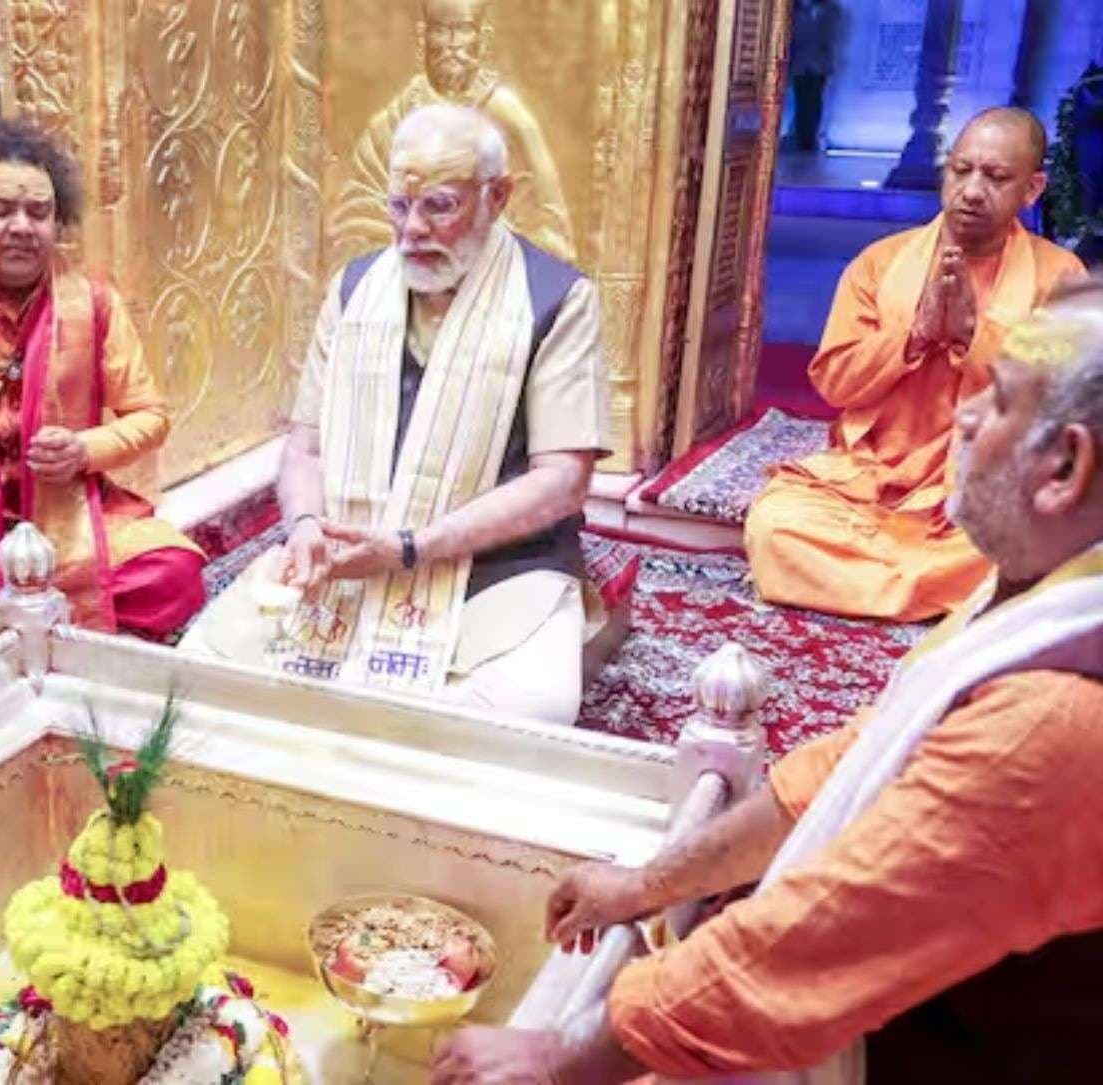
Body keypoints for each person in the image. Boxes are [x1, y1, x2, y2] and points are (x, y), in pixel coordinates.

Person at [431, 276, 1103, 1083]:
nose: (962, 417)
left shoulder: (1053, 715)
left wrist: (559, 1056)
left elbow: (821, 937)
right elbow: (839, 769)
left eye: (995, 403)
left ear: (1065, 465)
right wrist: (645, 884)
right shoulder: (1048, 597)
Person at [268, 103, 607, 722]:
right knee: (223, 671)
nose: (411, 231)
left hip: (499, 566)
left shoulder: (558, 300)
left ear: (497, 197)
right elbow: (304, 448)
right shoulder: (352, 290)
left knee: (527, 712)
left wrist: (411, 547)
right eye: (399, 206)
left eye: (439, 206)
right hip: (348, 549)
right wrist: (307, 527)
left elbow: (562, 481)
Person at [745, 107, 1086, 621]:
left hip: (986, 486)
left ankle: (880, 583)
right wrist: (912, 336)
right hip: (871, 481)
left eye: (995, 177)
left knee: (1017, 544)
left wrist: (976, 336)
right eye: (961, 169)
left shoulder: (1061, 277)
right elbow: (836, 384)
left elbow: (1064, 404)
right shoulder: (880, 262)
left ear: (1032, 188)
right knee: (775, 524)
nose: (972, 191)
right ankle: (936, 593)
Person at [0, 119, 205, 643]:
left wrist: (84, 449)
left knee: (173, 572)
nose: (22, 226)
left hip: (69, 517)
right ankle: (27, 621)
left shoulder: (93, 302)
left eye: (38, 213)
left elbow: (150, 416)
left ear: (56, 221)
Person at [328, 0, 575, 265]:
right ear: (423, 39)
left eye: (463, 29)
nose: (453, 43)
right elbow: (351, 227)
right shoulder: (391, 123)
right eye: (441, 30)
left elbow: (554, 239)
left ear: (484, 39)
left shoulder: (511, 119)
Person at [789, 0, 840, 152]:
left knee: (815, 102)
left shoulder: (831, 10)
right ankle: (801, 139)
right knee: (801, 103)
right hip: (801, 64)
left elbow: (829, 36)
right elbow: (795, 36)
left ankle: (809, 140)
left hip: (819, 65)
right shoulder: (796, 10)